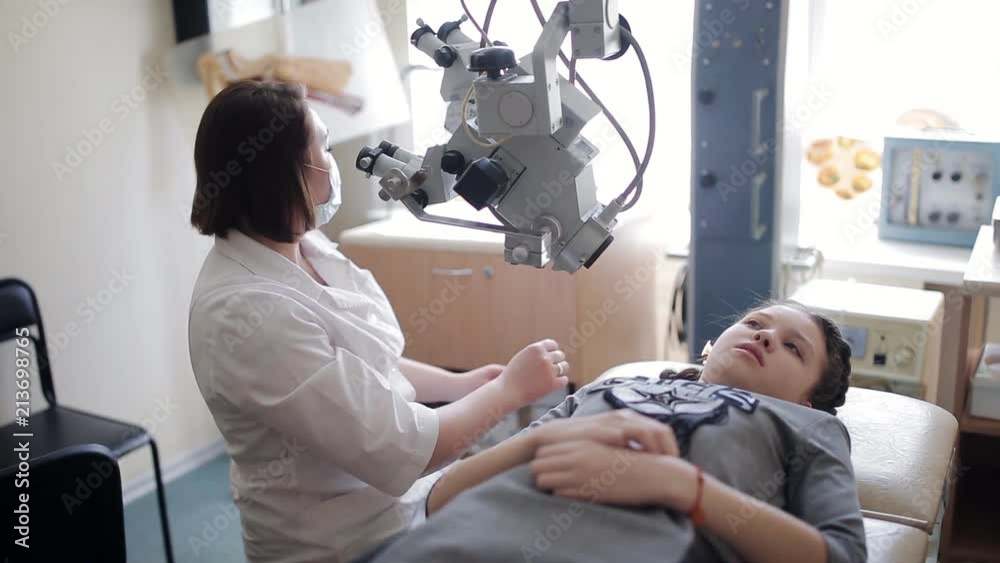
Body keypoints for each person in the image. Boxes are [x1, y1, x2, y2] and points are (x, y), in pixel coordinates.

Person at [186, 80, 570, 563]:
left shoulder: (300, 246)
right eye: (324, 149)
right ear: (283, 174)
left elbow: (364, 362)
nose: (333, 163)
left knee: (548, 466)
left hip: (394, 505)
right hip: (342, 542)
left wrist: (463, 384)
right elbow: (402, 449)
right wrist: (509, 391)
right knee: (543, 478)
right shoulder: (246, 315)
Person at [368, 300, 866, 563]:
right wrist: (539, 440)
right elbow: (441, 500)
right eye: (756, 323)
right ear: (711, 346)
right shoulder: (610, 390)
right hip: (463, 538)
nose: (766, 336)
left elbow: (840, 556)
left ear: (806, 400)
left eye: (793, 348)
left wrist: (685, 488)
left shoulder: (811, 427)